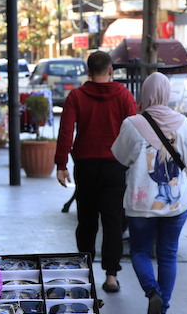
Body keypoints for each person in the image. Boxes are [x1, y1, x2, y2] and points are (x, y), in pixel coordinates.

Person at [111, 72, 187, 314]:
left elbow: (120, 157)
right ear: (167, 94)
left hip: (140, 204)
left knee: (139, 250)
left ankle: (152, 291)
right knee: (168, 254)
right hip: (177, 203)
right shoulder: (184, 124)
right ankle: (162, 307)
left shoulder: (132, 124)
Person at [54, 51, 137, 293]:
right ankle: (111, 277)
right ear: (111, 71)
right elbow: (133, 129)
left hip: (85, 166)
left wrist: (61, 165)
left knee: (86, 221)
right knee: (113, 222)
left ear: (88, 72)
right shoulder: (123, 95)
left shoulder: (76, 96)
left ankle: (84, 273)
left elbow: (66, 131)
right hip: (115, 165)